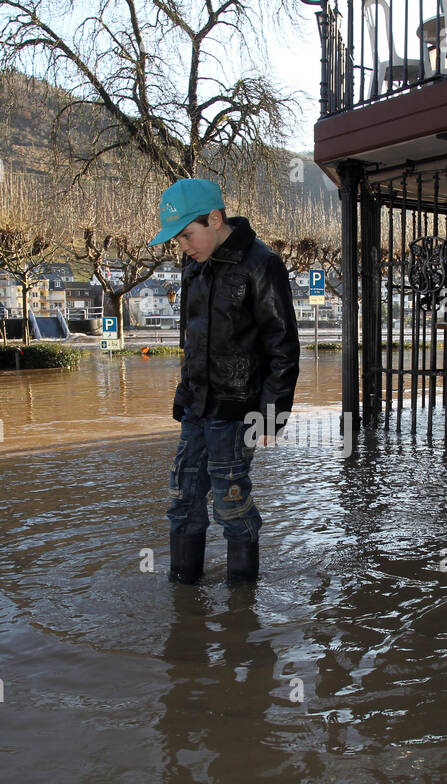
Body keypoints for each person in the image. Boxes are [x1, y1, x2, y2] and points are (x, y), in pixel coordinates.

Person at [150, 178, 300, 586]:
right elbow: (191, 335)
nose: (182, 246)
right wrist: (184, 396)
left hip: (237, 410)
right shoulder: (194, 263)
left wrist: (271, 416)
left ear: (214, 219)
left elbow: (283, 346)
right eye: (178, 239)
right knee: (182, 500)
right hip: (196, 405)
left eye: (186, 235)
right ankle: (183, 591)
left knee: (232, 507)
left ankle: (242, 609)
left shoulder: (261, 263)